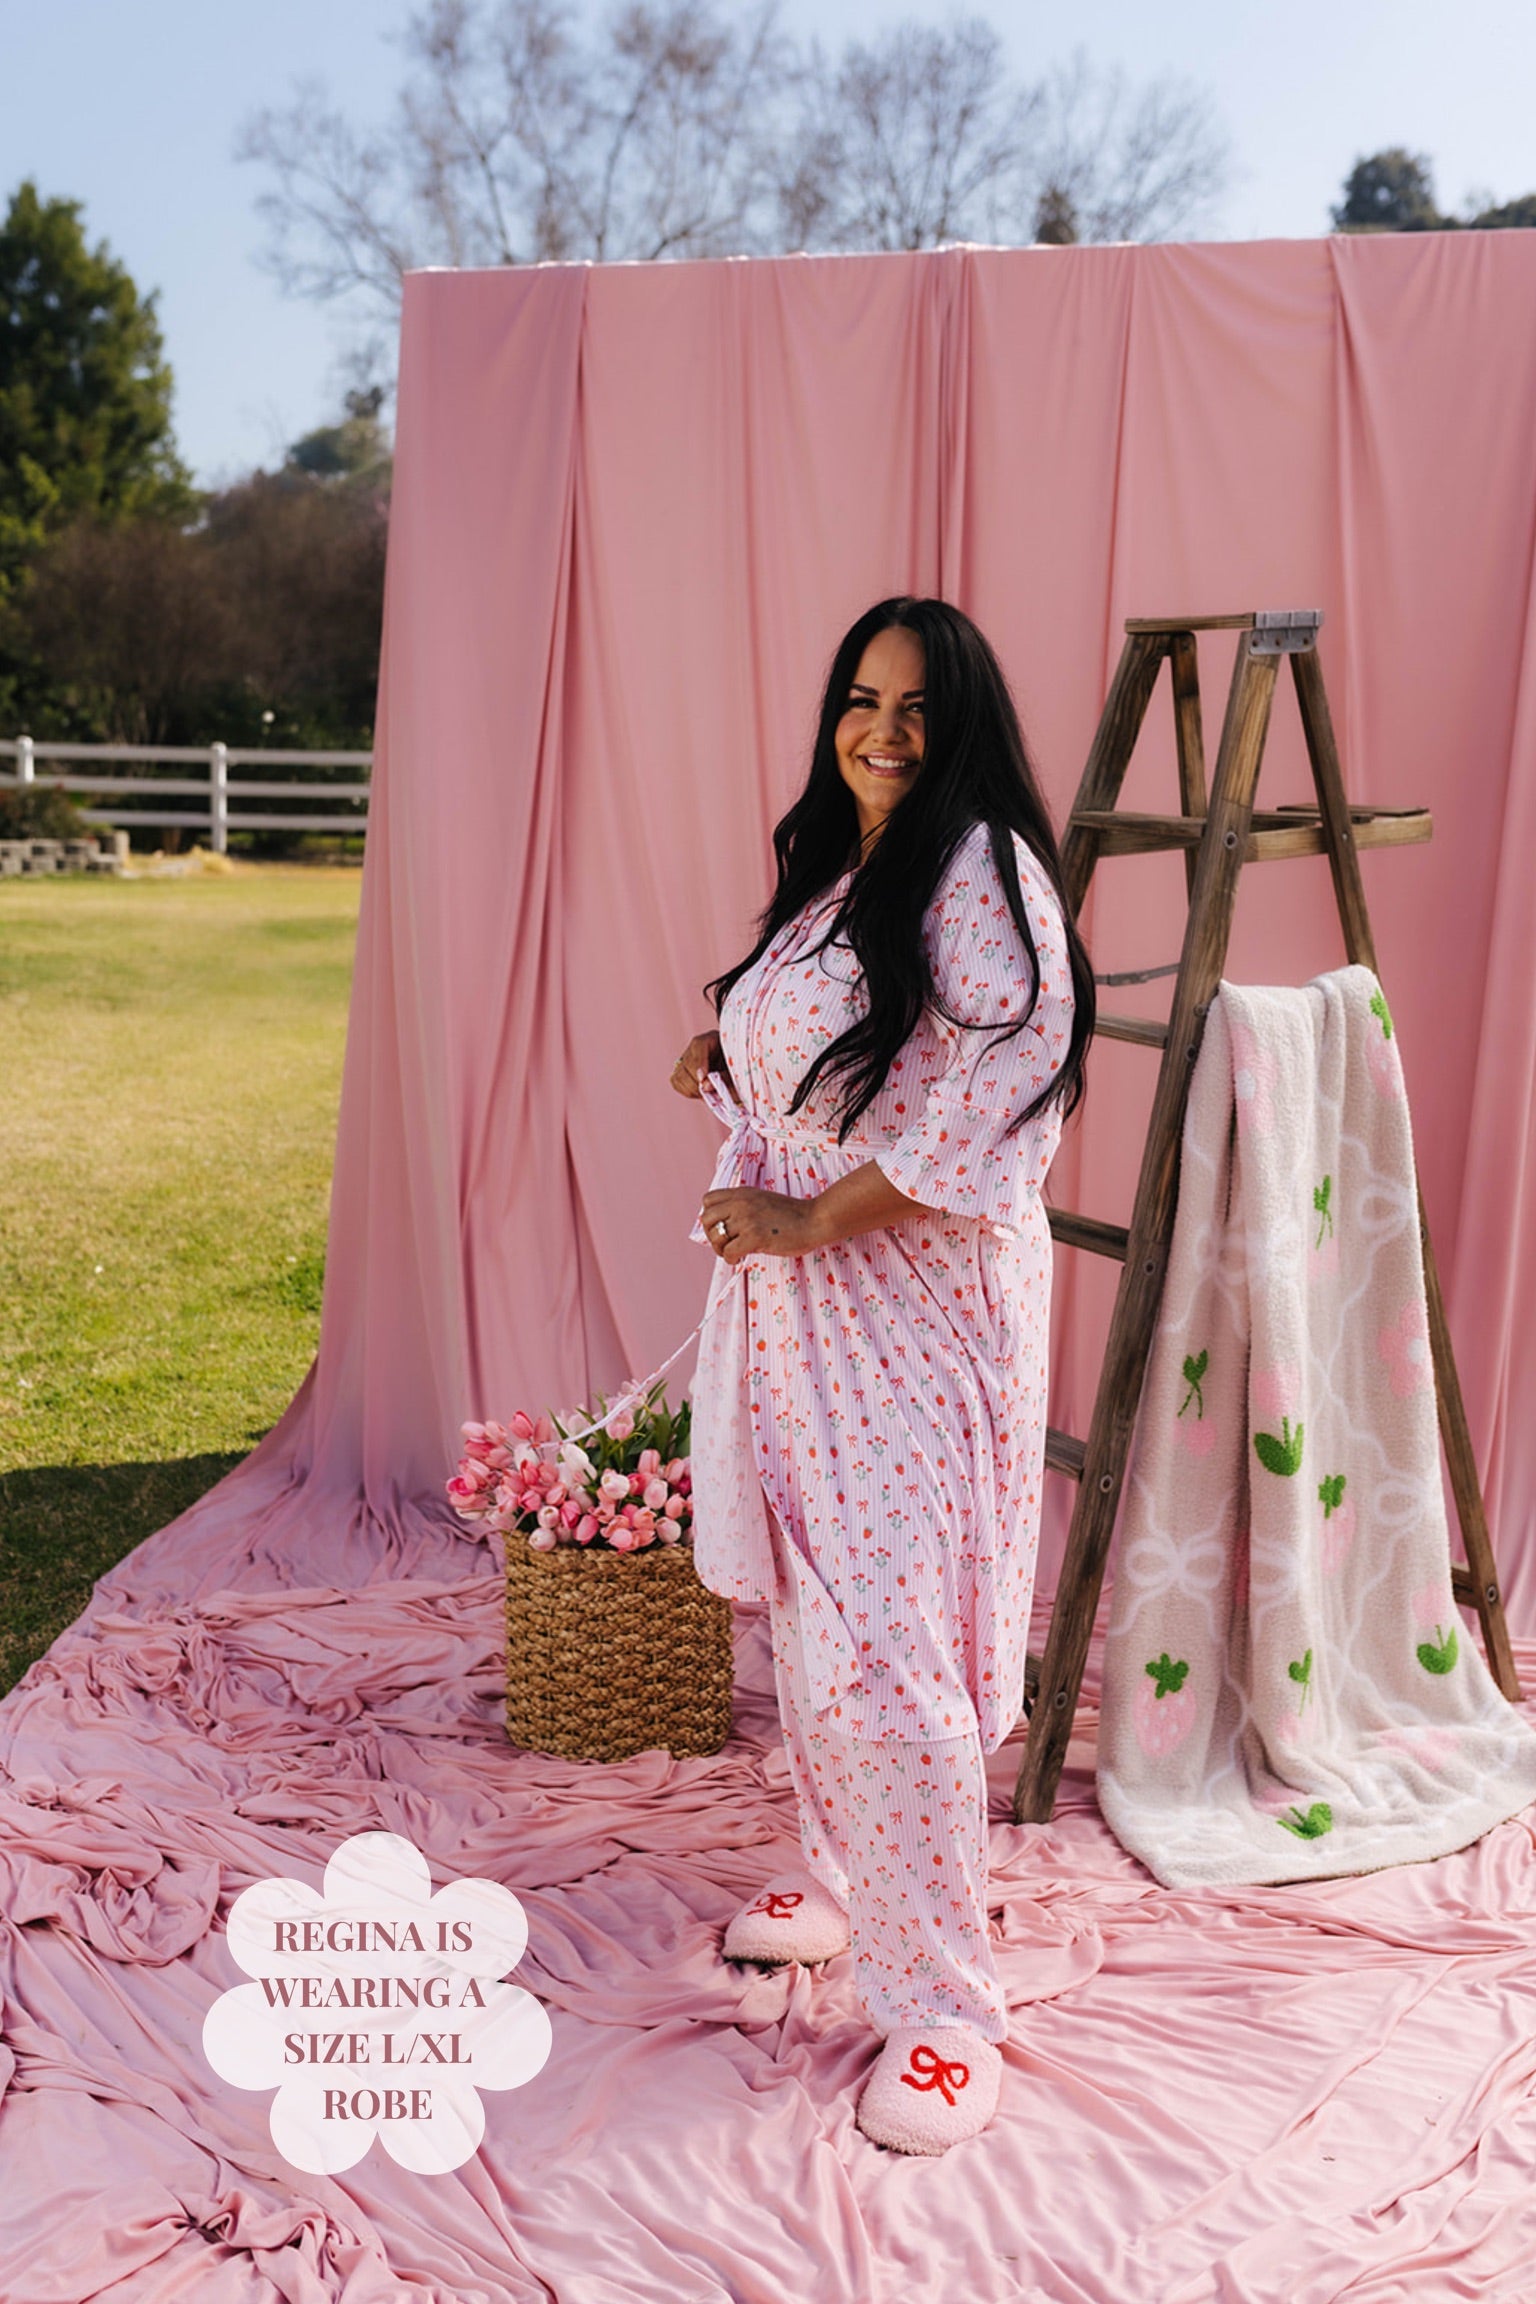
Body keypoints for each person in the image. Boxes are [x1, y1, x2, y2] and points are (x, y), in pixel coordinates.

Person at [670, 596, 1093, 2154]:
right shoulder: (851, 866)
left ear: (965, 723)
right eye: (862, 699)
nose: (883, 733)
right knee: (813, 1591)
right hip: (805, 1306)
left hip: (904, 1303)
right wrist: (725, 1060)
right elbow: (850, 1051)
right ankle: (843, 1870)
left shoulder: (985, 870)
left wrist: (804, 1212)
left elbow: (989, 1099)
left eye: (918, 709)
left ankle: (943, 2008)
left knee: (896, 1636)